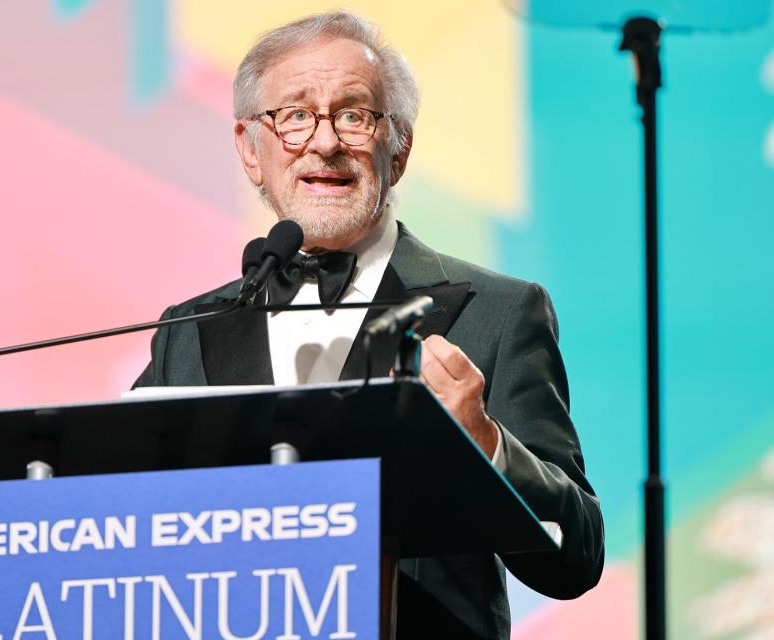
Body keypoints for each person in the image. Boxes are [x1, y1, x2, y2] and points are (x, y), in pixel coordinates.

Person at [134, 11, 604, 639]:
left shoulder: (498, 311)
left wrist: (488, 447)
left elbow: (576, 554)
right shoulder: (188, 330)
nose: (324, 142)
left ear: (399, 145)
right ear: (251, 149)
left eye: (354, 115)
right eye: (295, 115)